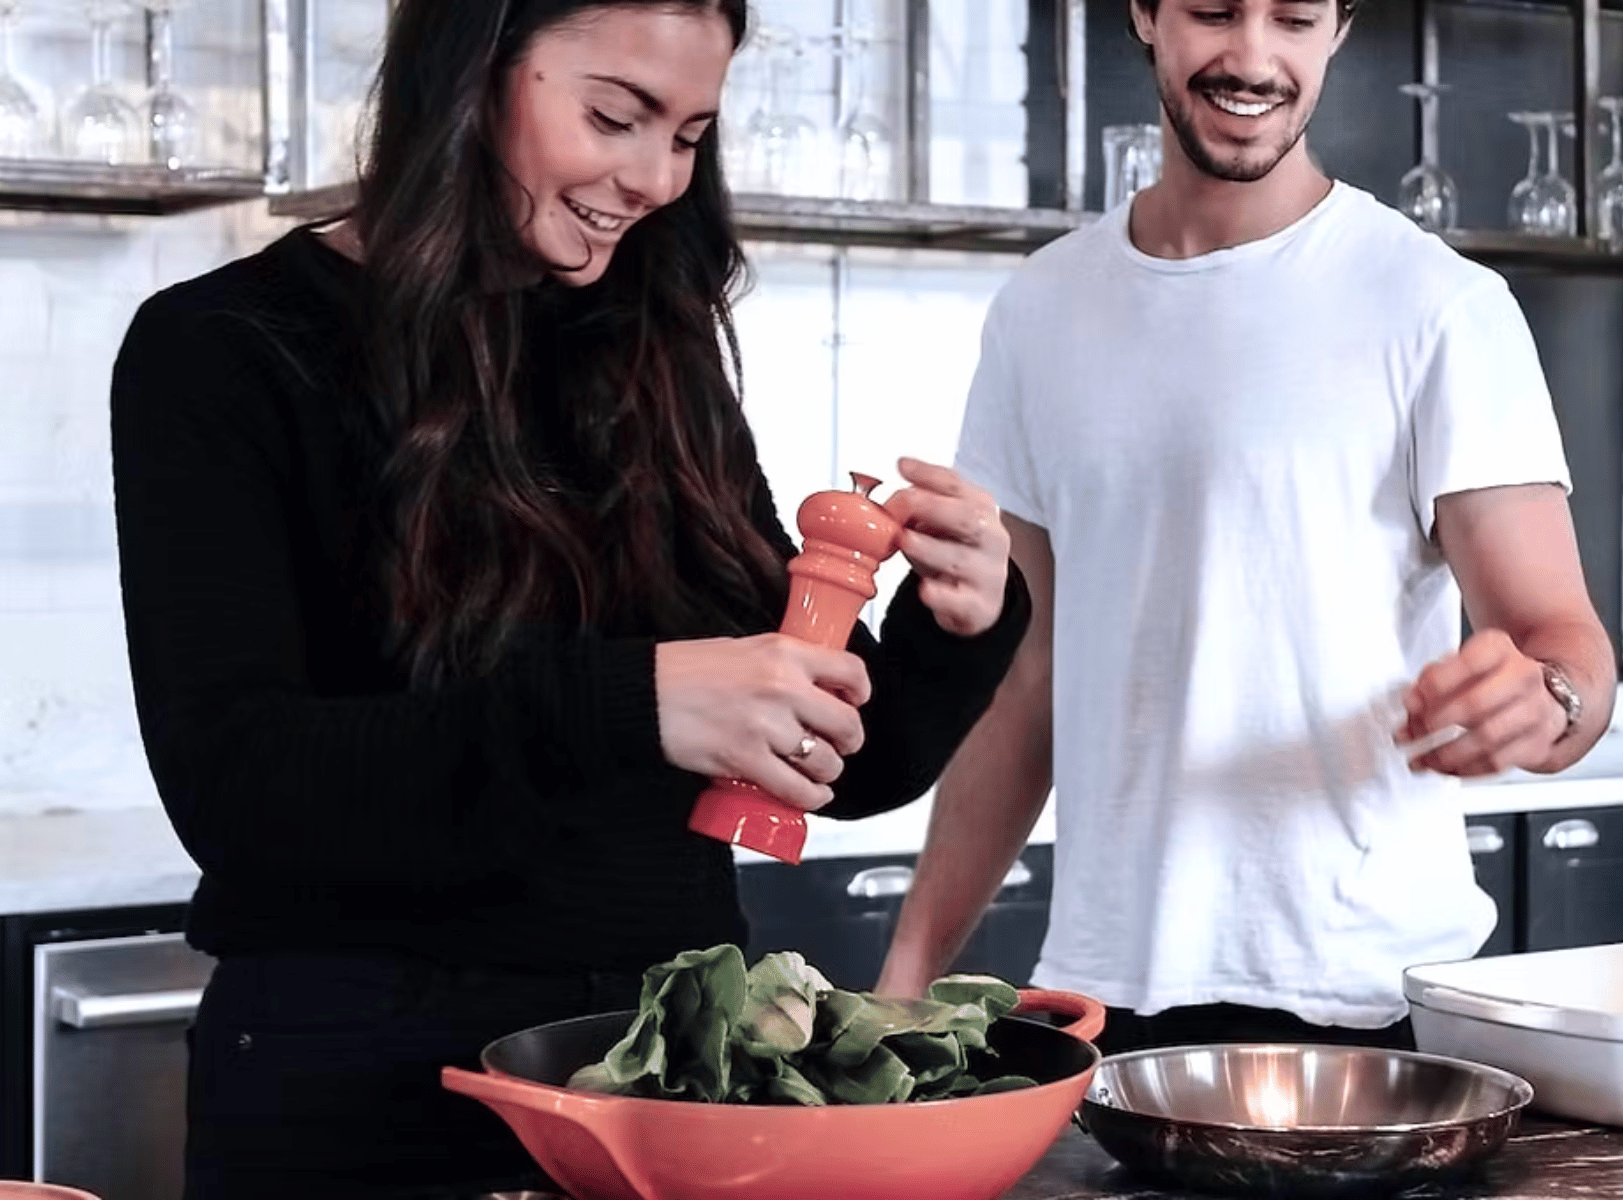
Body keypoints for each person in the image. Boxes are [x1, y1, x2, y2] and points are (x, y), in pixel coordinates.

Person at [109, 0, 1027, 1195]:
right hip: (360, 1093)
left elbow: (826, 766)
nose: (652, 178)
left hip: (668, 1076)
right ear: (470, 72)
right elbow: (239, 789)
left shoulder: (660, 350)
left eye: (691, 134)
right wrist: (632, 703)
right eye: (614, 115)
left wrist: (953, 627)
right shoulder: (222, 349)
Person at [875, 0, 1615, 1056]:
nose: (1253, 56)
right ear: (1145, 14)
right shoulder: (1040, 310)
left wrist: (1545, 701)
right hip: (1102, 998)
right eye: (1214, 11)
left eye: (1294, 17)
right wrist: (906, 976)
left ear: (1339, 27)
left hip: (1364, 1001)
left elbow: (1566, 648)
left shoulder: (1439, 306)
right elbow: (1022, 683)